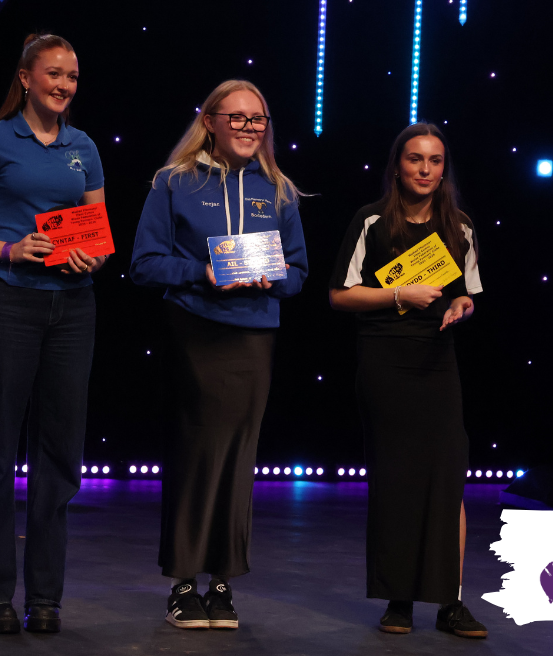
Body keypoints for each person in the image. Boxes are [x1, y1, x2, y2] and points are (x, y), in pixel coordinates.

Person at [0, 33, 107, 634]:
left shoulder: (83, 147)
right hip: (11, 303)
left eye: (73, 76)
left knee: (59, 455)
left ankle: (45, 598)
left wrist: (90, 256)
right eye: (54, 74)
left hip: (73, 310)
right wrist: (9, 249)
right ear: (27, 78)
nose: (64, 85)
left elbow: (97, 236)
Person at [130, 79, 307, 630]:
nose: (251, 128)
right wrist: (202, 272)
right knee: (195, 452)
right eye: (239, 118)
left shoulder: (278, 189)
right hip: (195, 332)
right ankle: (183, 583)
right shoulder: (174, 182)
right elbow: (144, 264)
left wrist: (273, 277)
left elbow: (298, 272)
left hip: (254, 337)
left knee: (239, 456)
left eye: (259, 119)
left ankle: (222, 584)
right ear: (210, 121)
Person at [328, 122, 487, 638]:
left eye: (435, 160)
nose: (425, 169)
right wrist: (400, 294)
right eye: (415, 159)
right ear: (397, 165)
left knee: (447, 478)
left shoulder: (460, 226)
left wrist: (461, 306)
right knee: (397, 480)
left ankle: (450, 602)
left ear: (444, 169)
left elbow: (467, 292)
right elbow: (340, 295)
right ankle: (398, 601)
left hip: (437, 361)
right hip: (385, 361)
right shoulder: (371, 220)